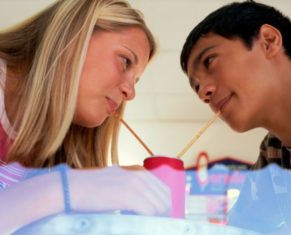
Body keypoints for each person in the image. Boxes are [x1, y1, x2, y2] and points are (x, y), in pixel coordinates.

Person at [0, 0, 171, 233]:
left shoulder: (51, 148)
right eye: (125, 61)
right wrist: (66, 188)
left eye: (136, 81)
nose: (130, 93)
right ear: (75, 37)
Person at [180, 0, 291, 171]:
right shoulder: (272, 155)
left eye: (209, 60)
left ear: (268, 42)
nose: (203, 93)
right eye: (196, 87)